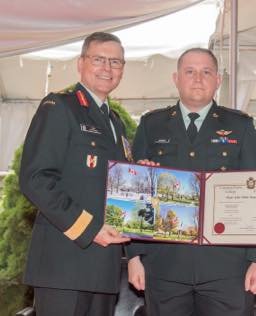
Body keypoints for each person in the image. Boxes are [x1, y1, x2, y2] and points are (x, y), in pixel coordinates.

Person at [126, 48, 256, 316]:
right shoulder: (151, 125)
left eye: (206, 72)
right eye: (189, 71)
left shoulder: (241, 125)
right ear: (176, 78)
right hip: (165, 264)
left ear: (218, 80)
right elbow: (138, 192)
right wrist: (134, 256)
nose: (198, 78)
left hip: (227, 266)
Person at [19, 32, 131, 316]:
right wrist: (90, 229)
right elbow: (36, 179)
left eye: (115, 62)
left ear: (122, 70)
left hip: (104, 268)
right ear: (80, 63)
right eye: (98, 59)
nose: (107, 68)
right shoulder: (60, 107)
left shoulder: (115, 122)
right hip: (64, 265)